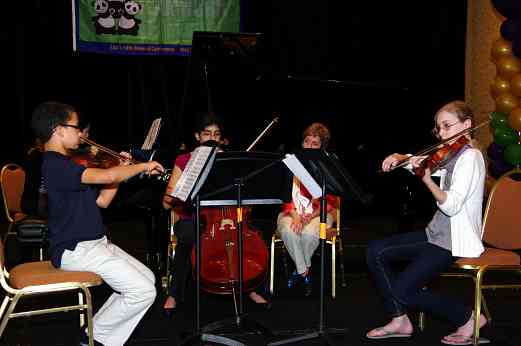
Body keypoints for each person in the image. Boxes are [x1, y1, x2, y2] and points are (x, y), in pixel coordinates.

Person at [30, 101, 165, 346]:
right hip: (75, 249)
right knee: (143, 292)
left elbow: (102, 200)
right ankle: (91, 339)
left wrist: (122, 169)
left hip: (94, 244)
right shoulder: (55, 164)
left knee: (147, 280)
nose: (80, 133)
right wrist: (141, 166)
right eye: (76, 127)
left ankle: (95, 334)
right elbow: (108, 176)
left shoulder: (68, 164)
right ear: (58, 129)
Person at [366, 101, 487, 345]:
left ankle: (469, 318)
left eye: (446, 126)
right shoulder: (452, 154)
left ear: (467, 125)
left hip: (455, 240)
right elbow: (423, 162)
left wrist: (427, 181)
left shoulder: (470, 158)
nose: (441, 133)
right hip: (436, 233)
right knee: (375, 251)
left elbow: (451, 205)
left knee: (403, 289)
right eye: (438, 128)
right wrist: (402, 157)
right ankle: (399, 320)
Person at [162, 112, 270, 314]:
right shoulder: (184, 160)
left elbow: (247, 194)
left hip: (228, 217)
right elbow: (167, 202)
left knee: (255, 234)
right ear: (197, 136)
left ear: (221, 138)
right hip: (193, 217)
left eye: (216, 134)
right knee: (188, 236)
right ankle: (174, 293)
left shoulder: (230, 160)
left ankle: (252, 287)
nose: (211, 138)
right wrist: (177, 195)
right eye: (206, 134)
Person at [276, 122, 337, 296]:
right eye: (307, 142)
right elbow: (285, 197)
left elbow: (329, 203)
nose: (309, 146)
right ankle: (304, 270)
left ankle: (299, 272)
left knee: (310, 234)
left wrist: (309, 217)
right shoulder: (290, 164)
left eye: (315, 143)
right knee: (289, 231)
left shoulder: (328, 167)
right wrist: (296, 216)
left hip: (320, 213)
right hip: (291, 212)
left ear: (322, 147)